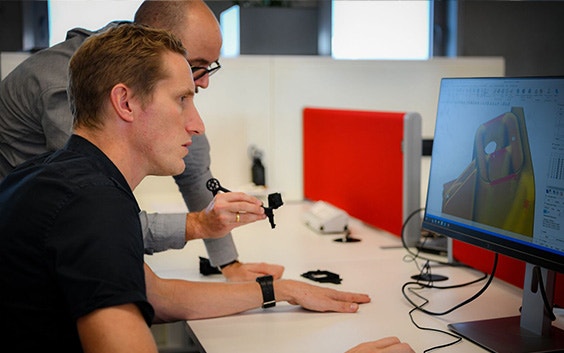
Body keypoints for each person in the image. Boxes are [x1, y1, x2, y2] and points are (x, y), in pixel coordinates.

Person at [0, 24, 413, 353]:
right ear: (124, 103)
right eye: (182, 98)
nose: (197, 124)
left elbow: (156, 294)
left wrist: (279, 290)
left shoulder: (55, 175)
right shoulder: (91, 206)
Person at [0, 0, 281, 282]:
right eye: (198, 65)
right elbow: (93, 213)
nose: (205, 82)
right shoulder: (69, 82)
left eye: (211, 66)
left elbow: (195, 170)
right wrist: (198, 225)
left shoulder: (145, 68)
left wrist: (229, 264)